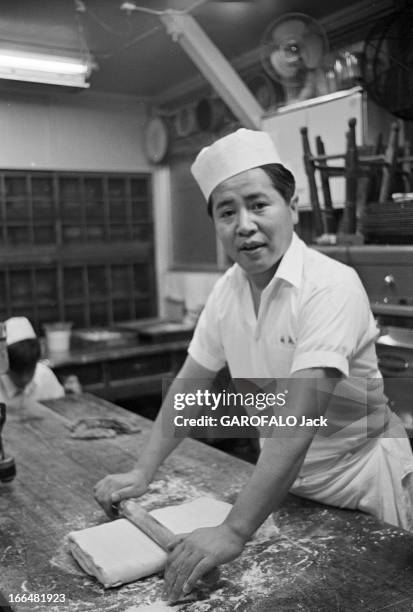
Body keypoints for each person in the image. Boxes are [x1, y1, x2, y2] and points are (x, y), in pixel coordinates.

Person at [94, 128, 413, 601]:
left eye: (259, 204)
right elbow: (191, 386)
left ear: (292, 206)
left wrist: (234, 530)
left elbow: (300, 419)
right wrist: (143, 471)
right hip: (285, 486)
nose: (244, 224)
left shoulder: (331, 286)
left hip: (360, 483)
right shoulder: (226, 292)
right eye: (227, 212)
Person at [0, 317, 65, 406]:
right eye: (19, 371)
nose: (25, 378)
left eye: (30, 370)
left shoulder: (44, 376)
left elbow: (62, 408)